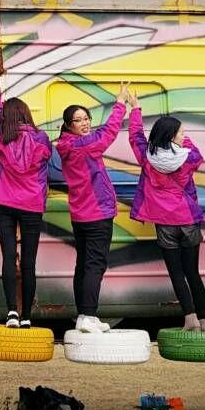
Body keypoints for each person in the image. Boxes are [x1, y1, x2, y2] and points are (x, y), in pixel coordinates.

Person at [128, 95, 205, 332]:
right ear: (173, 136)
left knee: (176, 273)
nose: (184, 136)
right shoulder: (188, 157)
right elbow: (198, 155)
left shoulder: (147, 157)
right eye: (181, 133)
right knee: (192, 272)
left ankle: (190, 318)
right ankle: (204, 321)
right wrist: (184, 141)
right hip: (188, 221)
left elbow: (135, 136)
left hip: (164, 224)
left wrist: (136, 109)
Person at [56, 83, 130, 333]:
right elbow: (109, 133)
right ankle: (88, 314)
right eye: (78, 120)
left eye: (86, 118)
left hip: (81, 214)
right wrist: (120, 104)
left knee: (84, 265)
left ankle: (84, 315)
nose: (85, 123)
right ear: (69, 126)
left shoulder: (68, 144)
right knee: (95, 265)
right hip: (97, 213)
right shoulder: (84, 145)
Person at [0, 65, 52, 328]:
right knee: (29, 262)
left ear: (6, 119)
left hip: (5, 204)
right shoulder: (41, 139)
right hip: (32, 205)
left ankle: (11, 311)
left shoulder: (1, 137)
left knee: (8, 257)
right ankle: (26, 317)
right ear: (25, 114)